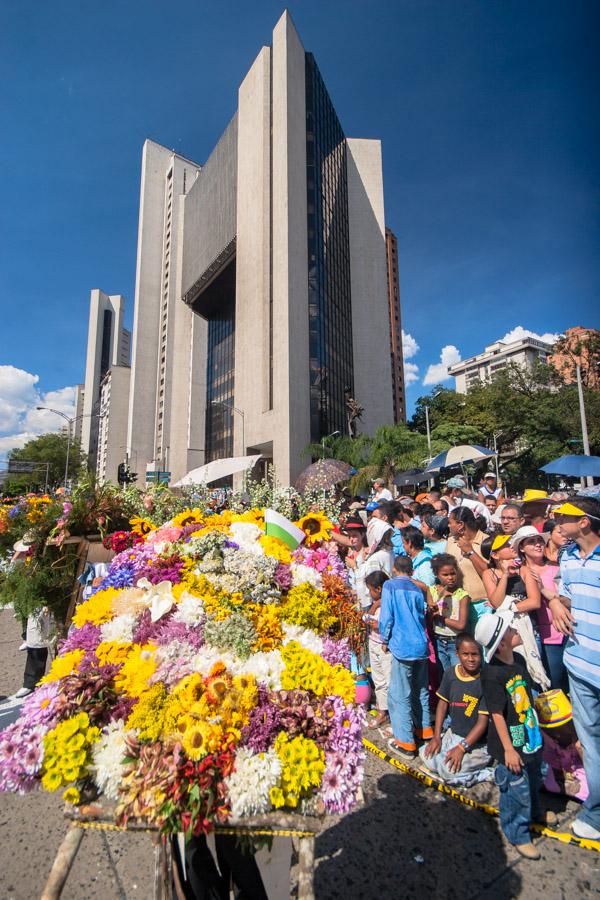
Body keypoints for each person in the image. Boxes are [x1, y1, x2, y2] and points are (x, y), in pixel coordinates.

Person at [476, 610, 547, 860]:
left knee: (535, 778)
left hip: (530, 735)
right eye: (510, 628)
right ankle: (517, 832)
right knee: (516, 790)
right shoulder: (493, 674)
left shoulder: (518, 659)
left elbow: (527, 695)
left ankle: (537, 813)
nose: (515, 629)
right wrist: (507, 749)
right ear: (502, 642)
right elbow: (496, 713)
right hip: (511, 744)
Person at [548, 496, 600, 841]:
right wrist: (555, 601)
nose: (556, 520)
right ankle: (596, 812)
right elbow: (564, 593)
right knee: (591, 742)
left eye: (563, 516)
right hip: (579, 665)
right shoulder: (567, 556)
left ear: (584, 522)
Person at [419, 633, 492, 786]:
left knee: (448, 771)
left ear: (481, 654)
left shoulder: (486, 681)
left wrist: (462, 747)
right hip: (453, 734)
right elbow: (442, 704)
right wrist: (437, 736)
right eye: (466, 654)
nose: (471, 659)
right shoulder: (451, 673)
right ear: (457, 654)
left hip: (476, 743)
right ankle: (452, 763)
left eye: (475, 654)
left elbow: (482, 723)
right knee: (426, 756)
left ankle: (484, 774)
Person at [480, 533, 549, 691]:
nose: (510, 546)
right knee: (513, 679)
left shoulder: (524, 570)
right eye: (505, 545)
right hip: (504, 635)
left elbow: (534, 601)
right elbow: (497, 601)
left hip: (529, 629)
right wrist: (505, 575)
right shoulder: (489, 574)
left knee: (533, 677)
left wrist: (508, 608)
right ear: (495, 555)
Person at [379, 561, 432, 760]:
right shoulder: (417, 589)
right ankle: (424, 729)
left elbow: (387, 615)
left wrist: (385, 638)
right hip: (420, 644)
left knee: (399, 694)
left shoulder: (390, 586)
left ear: (394, 569)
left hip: (403, 645)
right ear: (411, 570)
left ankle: (405, 742)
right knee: (421, 690)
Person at [514, 526, 567, 691]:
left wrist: (543, 589)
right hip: (532, 635)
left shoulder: (556, 568)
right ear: (521, 548)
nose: (538, 544)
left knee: (559, 684)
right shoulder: (517, 573)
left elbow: (567, 599)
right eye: (531, 542)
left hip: (559, 633)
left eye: (539, 541)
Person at [445, 507, 488, 629]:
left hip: (482, 605)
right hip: (457, 605)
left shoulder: (486, 541)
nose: (448, 526)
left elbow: (488, 573)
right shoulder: (451, 541)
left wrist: (470, 552)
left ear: (460, 525)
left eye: (450, 523)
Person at [427, 555, 470, 672]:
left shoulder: (462, 595)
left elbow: (461, 625)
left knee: (458, 673)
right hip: (438, 640)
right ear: (437, 574)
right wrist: (432, 610)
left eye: (453, 573)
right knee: (444, 675)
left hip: (455, 642)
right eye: (445, 575)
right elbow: (429, 619)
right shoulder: (432, 591)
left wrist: (440, 618)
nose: (450, 578)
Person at [364, 571, 392, 728]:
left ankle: (390, 713)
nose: (369, 593)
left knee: (389, 681)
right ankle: (382, 710)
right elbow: (367, 619)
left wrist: (372, 620)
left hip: (385, 647)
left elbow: (377, 625)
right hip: (373, 643)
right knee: (378, 679)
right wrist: (374, 606)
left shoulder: (389, 603)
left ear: (379, 588)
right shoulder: (376, 604)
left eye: (370, 589)